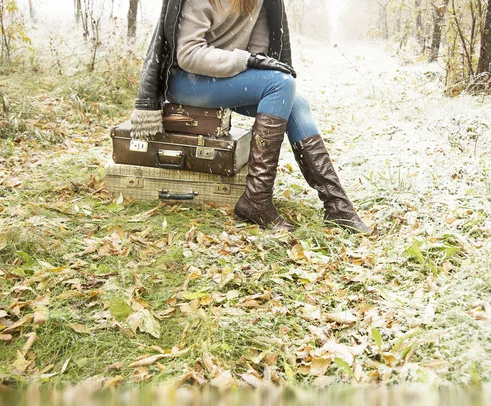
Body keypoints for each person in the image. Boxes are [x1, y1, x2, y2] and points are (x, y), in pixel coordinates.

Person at [131, 0, 374, 234]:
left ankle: (337, 205)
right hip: (186, 81)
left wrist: (255, 61)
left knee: (296, 102)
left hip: (223, 76)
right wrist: (245, 60)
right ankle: (257, 198)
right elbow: (188, 54)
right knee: (281, 85)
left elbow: (258, 50)